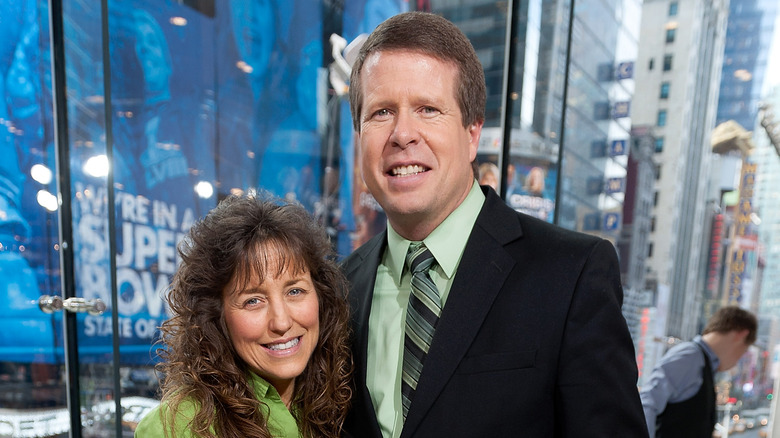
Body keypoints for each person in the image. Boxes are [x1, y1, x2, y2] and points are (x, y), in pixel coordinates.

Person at [341, 11, 648, 437]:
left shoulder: (572, 273)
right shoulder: (338, 287)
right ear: (359, 135)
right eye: (380, 113)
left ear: (472, 134)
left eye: (428, 109)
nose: (402, 134)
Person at [134, 194, 352, 438]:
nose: (281, 322)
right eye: (253, 301)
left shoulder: (335, 406)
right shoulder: (173, 427)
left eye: (295, 291)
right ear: (215, 316)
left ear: (321, 297)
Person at [640, 306, 757, 438]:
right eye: (744, 350)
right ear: (742, 335)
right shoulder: (690, 357)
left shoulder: (702, 363)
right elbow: (647, 404)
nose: (737, 360)